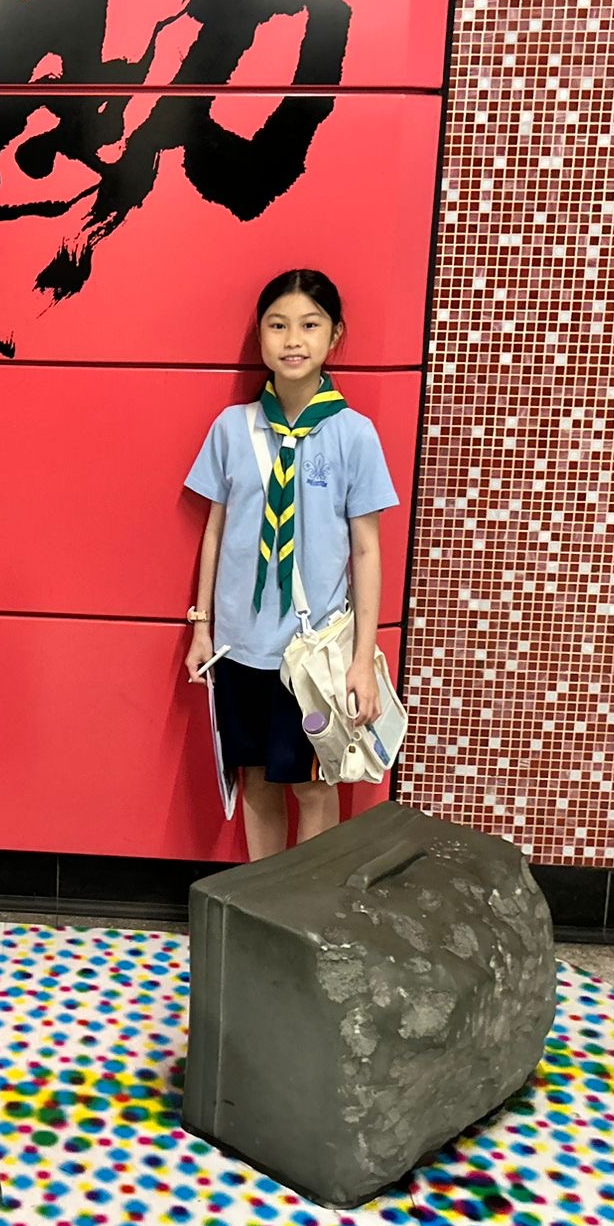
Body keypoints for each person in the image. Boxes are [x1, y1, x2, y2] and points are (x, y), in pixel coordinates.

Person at [183, 269, 398, 860]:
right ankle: (264, 898)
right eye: (277, 326)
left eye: (310, 325)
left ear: (335, 335)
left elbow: (367, 550)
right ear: (260, 335)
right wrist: (202, 626)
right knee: (255, 776)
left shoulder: (354, 435)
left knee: (312, 782)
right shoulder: (232, 429)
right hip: (239, 645)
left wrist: (362, 659)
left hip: (312, 652)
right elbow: (215, 529)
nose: (293, 340)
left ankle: (307, 903)